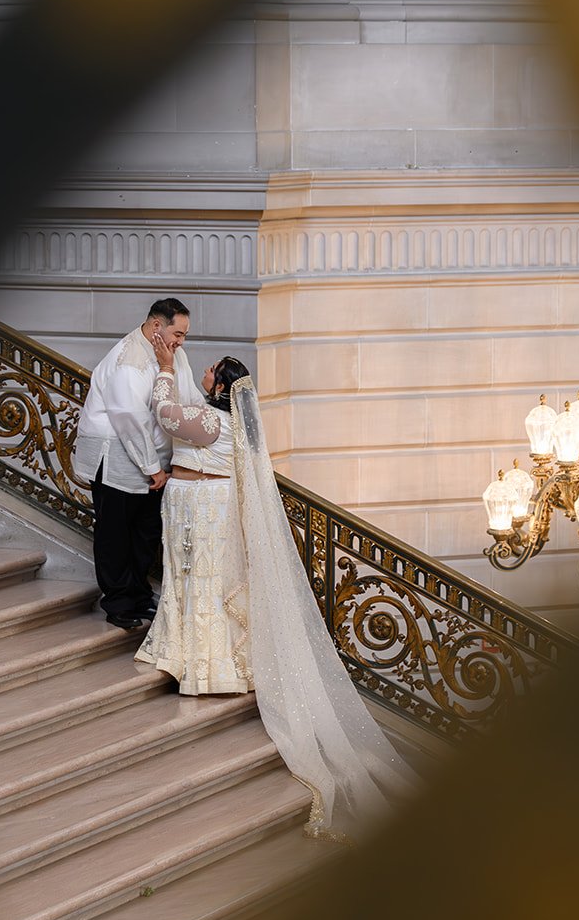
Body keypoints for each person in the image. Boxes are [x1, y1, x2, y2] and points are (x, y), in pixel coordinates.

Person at [136, 340, 417, 843]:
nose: (201, 369)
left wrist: (162, 368)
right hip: (193, 501)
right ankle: (188, 651)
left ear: (222, 386)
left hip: (202, 506)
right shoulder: (221, 418)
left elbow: (162, 412)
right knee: (190, 583)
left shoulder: (211, 423)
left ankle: (205, 667)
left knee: (200, 585)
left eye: (211, 370)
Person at [72, 297, 199, 630]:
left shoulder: (174, 355)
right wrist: (152, 468)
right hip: (113, 454)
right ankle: (118, 602)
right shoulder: (128, 359)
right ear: (156, 326)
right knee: (116, 531)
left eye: (185, 335)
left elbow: (187, 397)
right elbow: (129, 418)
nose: (182, 341)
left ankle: (140, 593)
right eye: (179, 333)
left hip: (151, 457)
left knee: (145, 530)